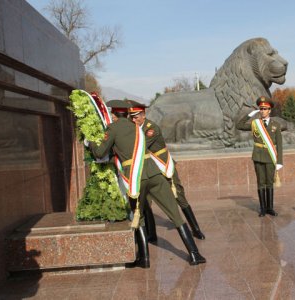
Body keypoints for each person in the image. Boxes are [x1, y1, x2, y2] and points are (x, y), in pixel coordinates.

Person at [88, 100, 206, 267]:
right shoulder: (137, 127)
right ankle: (194, 254)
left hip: (136, 178)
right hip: (154, 173)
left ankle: (144, 259)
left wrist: (90, 143)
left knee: (139, 215)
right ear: (127, 115)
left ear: (114, 115)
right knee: (174, 213)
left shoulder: (113, 128)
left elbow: (100, 152)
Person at [126, 100, 206, 240]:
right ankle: (152, 234)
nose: (134, 119)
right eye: (131, 117)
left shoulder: (151, 128)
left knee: (179, 196)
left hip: (163, 165)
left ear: (144, 115)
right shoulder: (134, 129)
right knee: (146, 201)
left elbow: (140, 147)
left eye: (137, 116)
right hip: (149, 169)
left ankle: (195, 229)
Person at [237, 96, 283, 217]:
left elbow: (280, 145)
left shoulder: (276, 125)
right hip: (257, 156)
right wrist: (249, 114)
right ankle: (262, 208)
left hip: (270, 156)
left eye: (265, 108)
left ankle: (270, 208)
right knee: (260, 182)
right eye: (261, 108)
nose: (262, 111)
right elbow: (239, 125)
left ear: (270, 110)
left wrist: (280, 161)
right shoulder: (255, 124)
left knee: (269, 182)